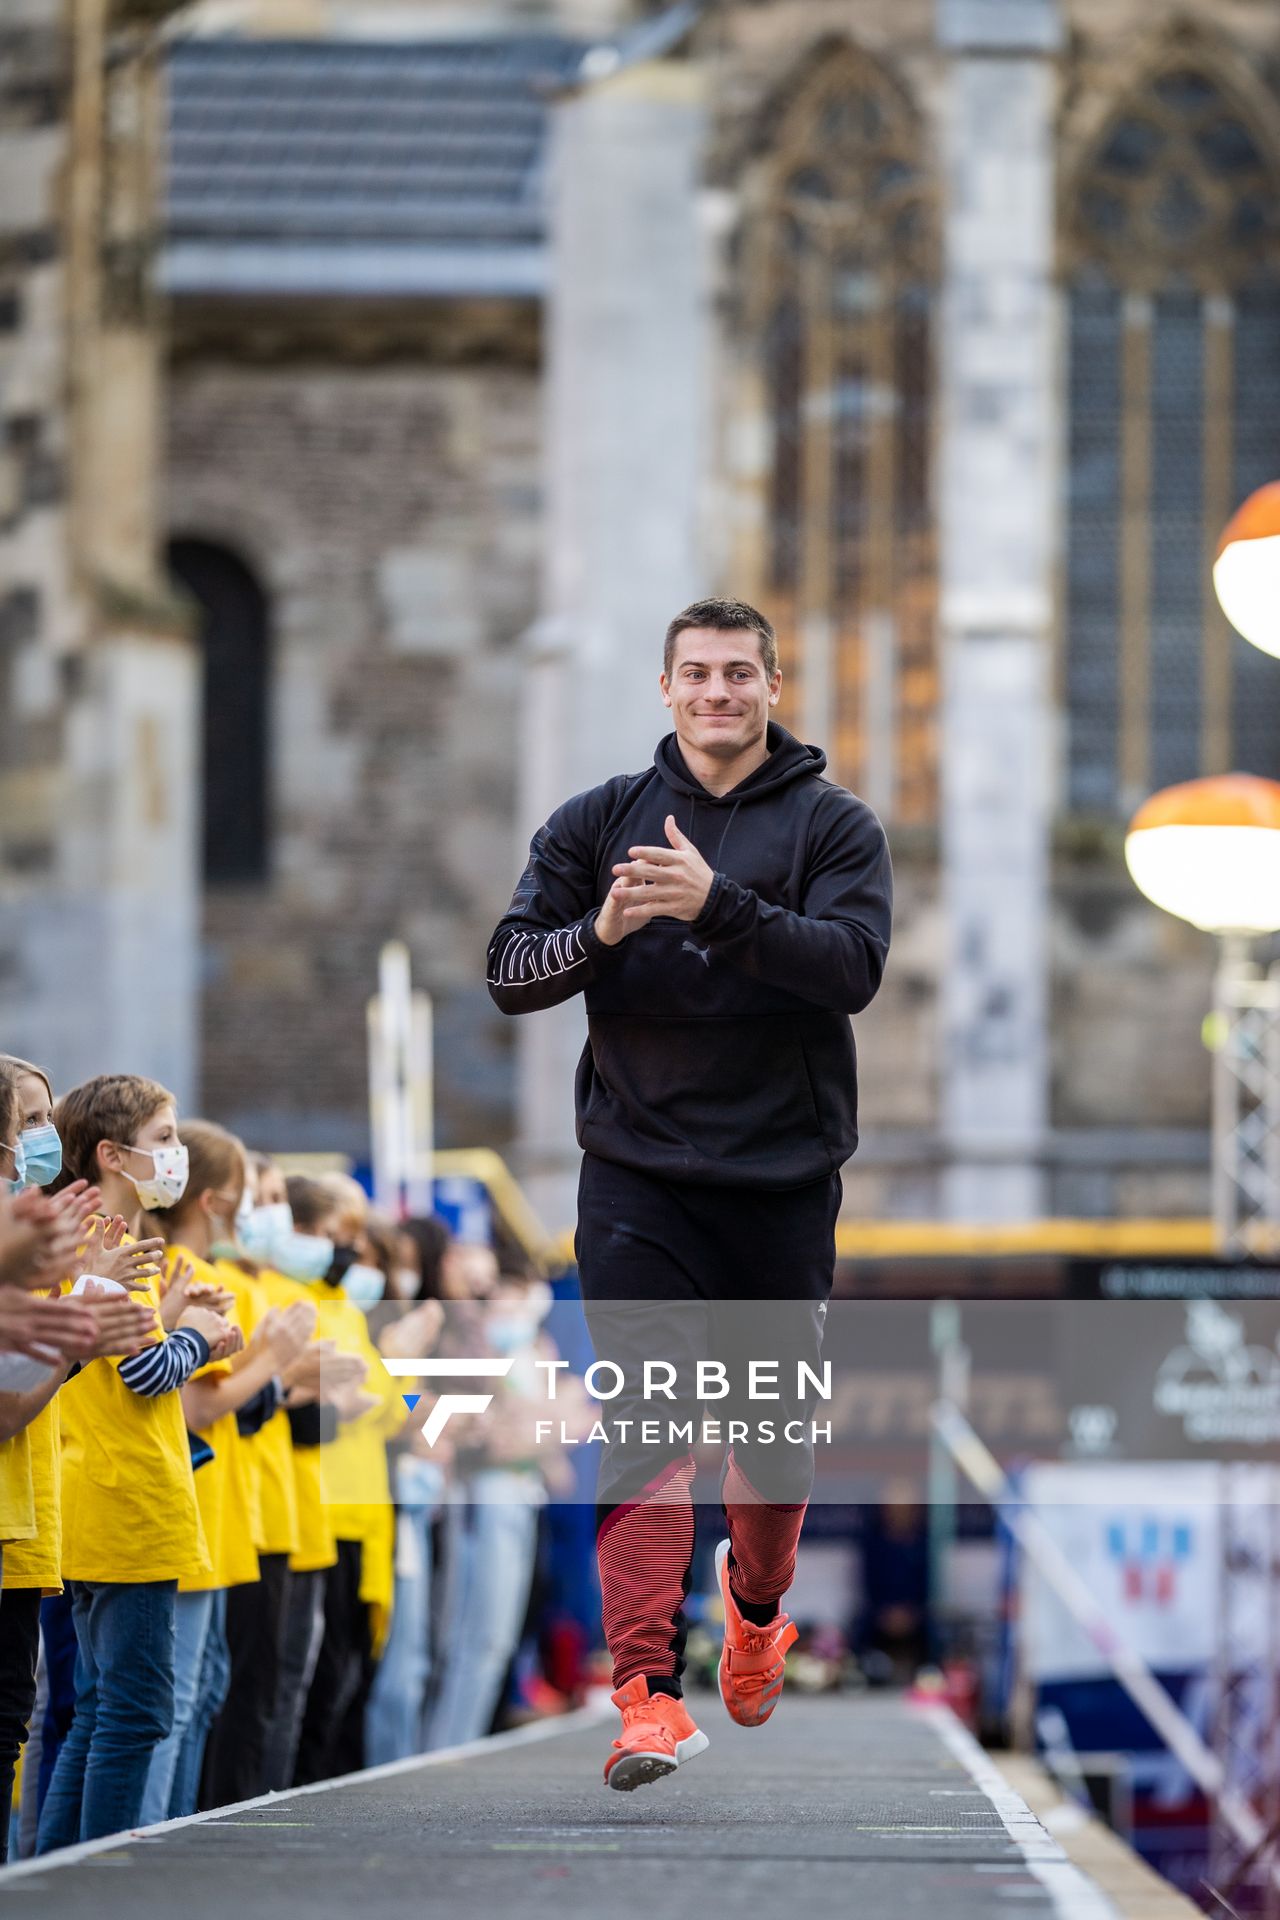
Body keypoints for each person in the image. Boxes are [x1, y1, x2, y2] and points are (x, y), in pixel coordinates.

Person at [486, 596, 892, 1790]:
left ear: (772, 686)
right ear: (664, 690)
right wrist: (603, 927)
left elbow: (851, 969)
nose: (717, 693)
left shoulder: (832, 824)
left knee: (769, 1454)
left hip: (779, 1178)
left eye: (738, 674)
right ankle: (645, 1699)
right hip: (633, 1177)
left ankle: (756, 1610)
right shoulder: (597, 821)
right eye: (696, 674)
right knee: (650, 1434)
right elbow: (511, 972)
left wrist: (716, 904)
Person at [35, 1074, 239, 1851]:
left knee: (98, 1707)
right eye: (164, 1141)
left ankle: (61, 1867)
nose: (176, 1156)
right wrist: (200, 1336)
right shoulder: (108, 1247)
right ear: (113, 1156)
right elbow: (144, 1372)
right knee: (136, 1710)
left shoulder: (100, 1244)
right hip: (122, 1498)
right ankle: (95, 1874)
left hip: (100, 1490)